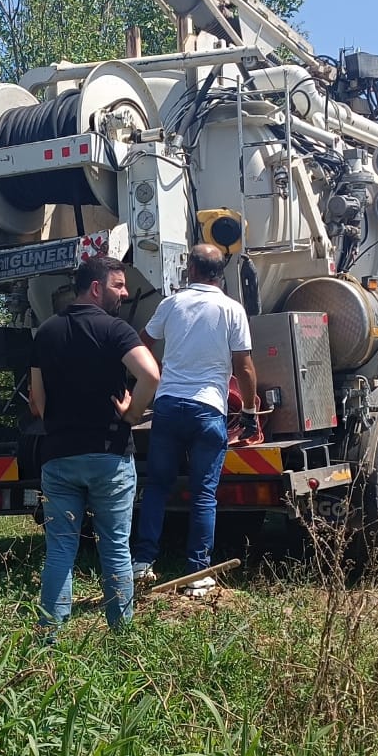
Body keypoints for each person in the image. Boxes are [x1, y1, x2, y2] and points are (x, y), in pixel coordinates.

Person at [29, 256, 160, 638]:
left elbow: (38, 402)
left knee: (59, 551)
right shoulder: (115, 330)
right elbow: (150, 374)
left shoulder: (46, 333)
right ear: (97, 287)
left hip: (59, 457)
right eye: (119, 285)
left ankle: (49, 635)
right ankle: (121, 635)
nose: (124, 292)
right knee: (115, 546)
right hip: (109, 455)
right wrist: (133, 412)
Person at [132, 244, 257, 593]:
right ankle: (198, 574)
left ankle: (142, 564)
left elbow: (141, 344)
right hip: (208, 409)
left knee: (157, 487)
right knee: (203, 494)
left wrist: (149, 377)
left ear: (191, 270)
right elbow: (244, 368)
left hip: (169, 406)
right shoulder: (232, 309)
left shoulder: (170, 304)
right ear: (220, 273)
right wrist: (249, 412)